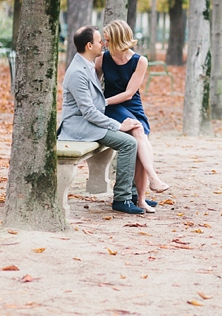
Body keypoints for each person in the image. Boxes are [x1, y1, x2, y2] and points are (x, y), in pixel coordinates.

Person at [58, 26, 145, 215]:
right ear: (90, 46)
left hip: (91, 122)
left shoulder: (88, 64)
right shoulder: (77, 73)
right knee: (129, 143)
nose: (104, 44)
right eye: (100, 41)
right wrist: (118, 125)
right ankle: (122, 198)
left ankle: (132, 195)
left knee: (134, 137)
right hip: (79, 126)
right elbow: (88, 112)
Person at [96, 19, 169, 214]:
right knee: (138, 130)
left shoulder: (140, 61)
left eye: (108, 40)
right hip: (111, 106)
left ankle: (140, 198)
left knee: (141, 141)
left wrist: (103, 101)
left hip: (132, 105)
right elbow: (93, 88)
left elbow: (129, 93)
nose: (104, 43)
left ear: (118, 39)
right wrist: (100, 104)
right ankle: (153, 179)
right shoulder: (102, 59)